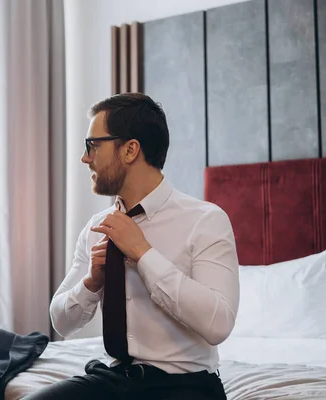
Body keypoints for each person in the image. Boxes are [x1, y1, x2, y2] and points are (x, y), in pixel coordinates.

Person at [25, 93, 239, 400]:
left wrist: (143, 253)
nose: (85, 158)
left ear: (130, 150)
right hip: (115, 381)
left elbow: (219, 324)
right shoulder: (97, 228)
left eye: (93, 145)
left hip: (187, 386)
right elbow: (60, 320)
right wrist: (91, 282)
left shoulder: (205, 220)